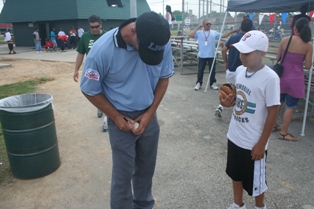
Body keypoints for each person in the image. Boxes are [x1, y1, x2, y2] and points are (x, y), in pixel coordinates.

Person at [79, 11, 173, 209]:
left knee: (146, 169)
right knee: (123, 175)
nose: (148, 57)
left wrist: (149, 114)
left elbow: (164, 78)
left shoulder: (159, 41)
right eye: (144, 50)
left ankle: (143, 205)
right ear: (133, 31)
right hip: (120, 117)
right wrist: (115, 116)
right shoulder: (102, 50)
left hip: (149, 114)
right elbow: (89, 88)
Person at [220, 30, 280, 209]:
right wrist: (226, 102)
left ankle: (259, 207)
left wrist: (262, 143)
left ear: (261, 54)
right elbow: (238, 99)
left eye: (246, 53)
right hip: (235, 135)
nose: (241, 56)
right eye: (240, 52)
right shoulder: (239, 71)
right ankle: (238, 204)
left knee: (257, 182)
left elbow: (273, 112)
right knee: (235, 174)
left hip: (253, 141)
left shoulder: (270, 78)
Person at [273, 18, 313, 141]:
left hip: (281, 77)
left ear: (295, 28)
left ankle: (273, 126)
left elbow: (278, 58)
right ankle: (284, 133)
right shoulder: (308, 45)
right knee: (290, 106)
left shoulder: (285, 40)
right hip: (296, 79)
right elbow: (307, 66)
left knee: (277, 103)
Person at [73, 15, 107, 132]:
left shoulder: (107, 35)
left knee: (108, 94)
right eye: (92, 27)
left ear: (101, 25)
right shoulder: (85, 36)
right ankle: (100, 107)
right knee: (95, 92)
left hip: (107, 70)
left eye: (96, 27)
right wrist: (76, 70)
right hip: (92, 71)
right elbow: (80, 54)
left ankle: (106, 121)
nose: (94, 29)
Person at [215, 19, 253, 118]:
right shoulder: (249, 39)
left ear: (240, 27)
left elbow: (223, 50)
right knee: (240, 94)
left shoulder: (234, 37)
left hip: (231, 69)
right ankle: (236, 114)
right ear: (251, 28)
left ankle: (220, 107)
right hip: (243, 71)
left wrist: (226, 62)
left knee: (228, 92)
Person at [189, 19, 237, 91]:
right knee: (200, 70)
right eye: (207, 24)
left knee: (212, 70)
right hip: (202, 55)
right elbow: (191, 35)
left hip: (211, 55)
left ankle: (212, 83)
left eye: (209, 24)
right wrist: (198, 27)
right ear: (204, 25)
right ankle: (199, 83)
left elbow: (223, 35)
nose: (209, 25)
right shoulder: (199, 33)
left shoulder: (213, 32)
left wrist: (232, 31)